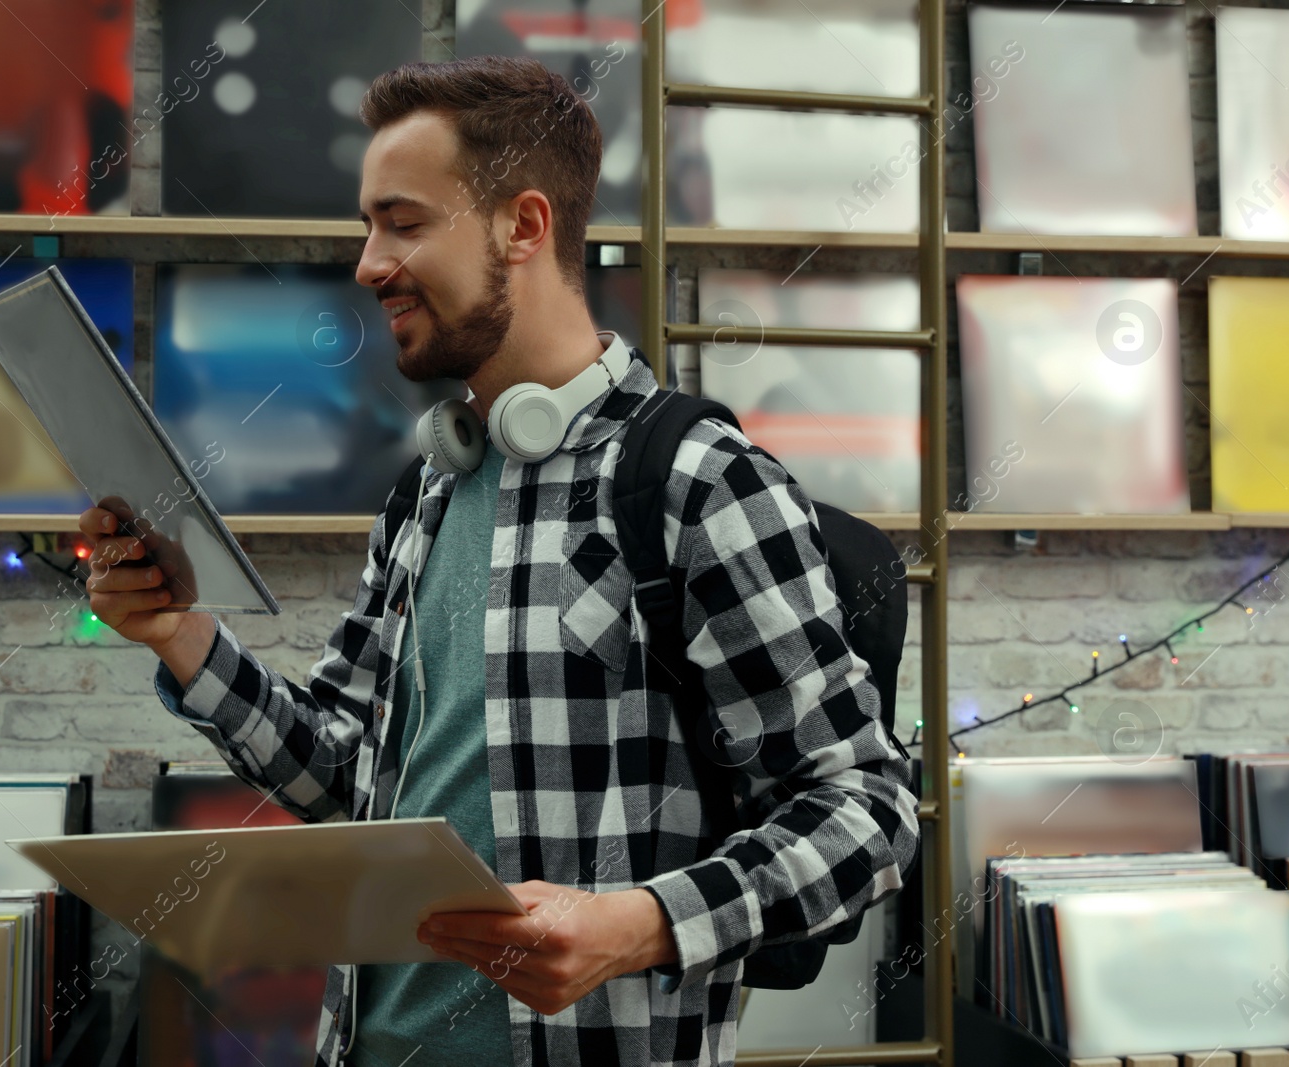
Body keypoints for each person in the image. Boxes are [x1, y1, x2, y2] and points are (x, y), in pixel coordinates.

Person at [80, 54, 919, 1067]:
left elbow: (864, 808)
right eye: (367, 225)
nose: (367, 263)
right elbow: (354, 779)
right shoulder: (429, 488)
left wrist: (639, 923)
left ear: (523, 226)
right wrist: (181, 636)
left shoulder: (697, 479)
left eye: (402, 221)